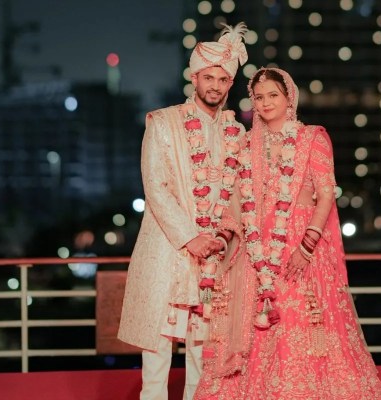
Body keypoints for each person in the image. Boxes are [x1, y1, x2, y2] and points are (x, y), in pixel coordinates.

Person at [194, 68, 381, 399]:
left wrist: (306, 247)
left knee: (301, 323)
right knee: (256, 327)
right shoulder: (245, 145)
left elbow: (325, 195)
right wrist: (223, 239)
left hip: (300, 245)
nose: (266, 102)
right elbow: (236, 203)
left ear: (289, 98)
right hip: (257, 251)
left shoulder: (312, 138)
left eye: (273, 95)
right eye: (259, 97)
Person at [117, 22, 248, 400]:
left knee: (203, 351)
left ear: (230, 84)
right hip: (168, 250)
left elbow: (238, 193)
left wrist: (221, 234)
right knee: (157, 350)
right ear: (194, 78)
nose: (215, 86)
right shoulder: (162, 122)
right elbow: (155, 187)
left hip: (216, 256)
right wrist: (191, 237)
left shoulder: (237, 134)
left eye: (223, 79)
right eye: (209, 77)